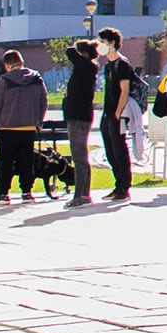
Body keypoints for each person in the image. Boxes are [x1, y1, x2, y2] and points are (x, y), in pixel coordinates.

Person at [0, 50, 47, 203]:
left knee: (6, 162)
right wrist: (38, 121)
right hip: (28, 127)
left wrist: (0, 121)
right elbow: (43, 101)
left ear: (7, 65)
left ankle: (3, 193)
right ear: (21, 61)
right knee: (26, 162)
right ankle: (27, 192)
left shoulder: (4, 80)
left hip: (7, 128)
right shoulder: (36, 79)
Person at [96, 28, 134, 201]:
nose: (100, 46)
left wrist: (118, 112)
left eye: (102, 42)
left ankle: (124, 187)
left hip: (117, 113)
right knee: (110, 151)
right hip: (107, 112)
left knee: (119, 150)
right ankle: (117, 184)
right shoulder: (108, 66)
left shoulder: (122, 64)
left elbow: (124, 90)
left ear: (111, 43)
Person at [61, 39, 98, 208]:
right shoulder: (86, 68)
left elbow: (69, 51)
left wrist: (79, 49)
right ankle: (83, 193)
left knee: (79, 156)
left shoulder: (86, 67)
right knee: (80, 155)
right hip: (79, 115)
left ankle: (82, 194)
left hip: (78, 116)